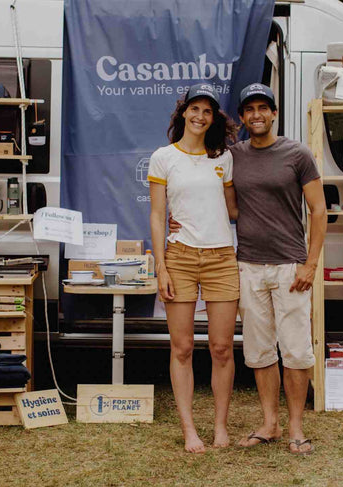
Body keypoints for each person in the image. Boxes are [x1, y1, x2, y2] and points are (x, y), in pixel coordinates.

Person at [172, 84, 327, 454]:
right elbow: (224, 204)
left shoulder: (298, 153)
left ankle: (295, 428)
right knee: (259, 352)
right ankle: (270, 423)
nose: (256, 114)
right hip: (248, 265)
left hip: (291, 267)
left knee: (296, 351)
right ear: (241, 118)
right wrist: (182, 220)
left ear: (274, 113)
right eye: (249, 109)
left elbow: (319, 211)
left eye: (263, 108)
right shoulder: (232, 156)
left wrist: (311, 263)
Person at [148, 83, 239, 453]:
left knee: (221, 348)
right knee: (182, 347)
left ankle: (220, 426)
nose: (200, 116)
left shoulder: (225, 158)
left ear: (213, 117)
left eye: (208, 111)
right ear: (183, 112)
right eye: (195, 108)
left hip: (221, 259)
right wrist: (161, 268)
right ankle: (189, 429)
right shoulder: (162, 157)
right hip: (180, 258)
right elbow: (157, 216)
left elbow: (233, 211)